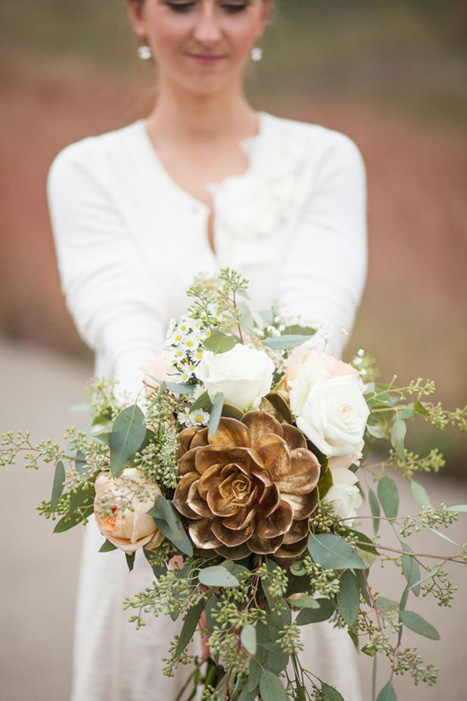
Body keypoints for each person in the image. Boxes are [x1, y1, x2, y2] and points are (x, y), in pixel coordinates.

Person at [47, 1, 368, 699]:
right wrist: (175, 472)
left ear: (265, 14)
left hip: (299, 511)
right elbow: (121, 323)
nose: (207, 29)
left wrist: (263, 492)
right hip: (151, 515)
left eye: (232, 5)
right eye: (180, 4)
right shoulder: (87, 170)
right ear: (136, 13)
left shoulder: (326, 159)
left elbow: (317, 325)